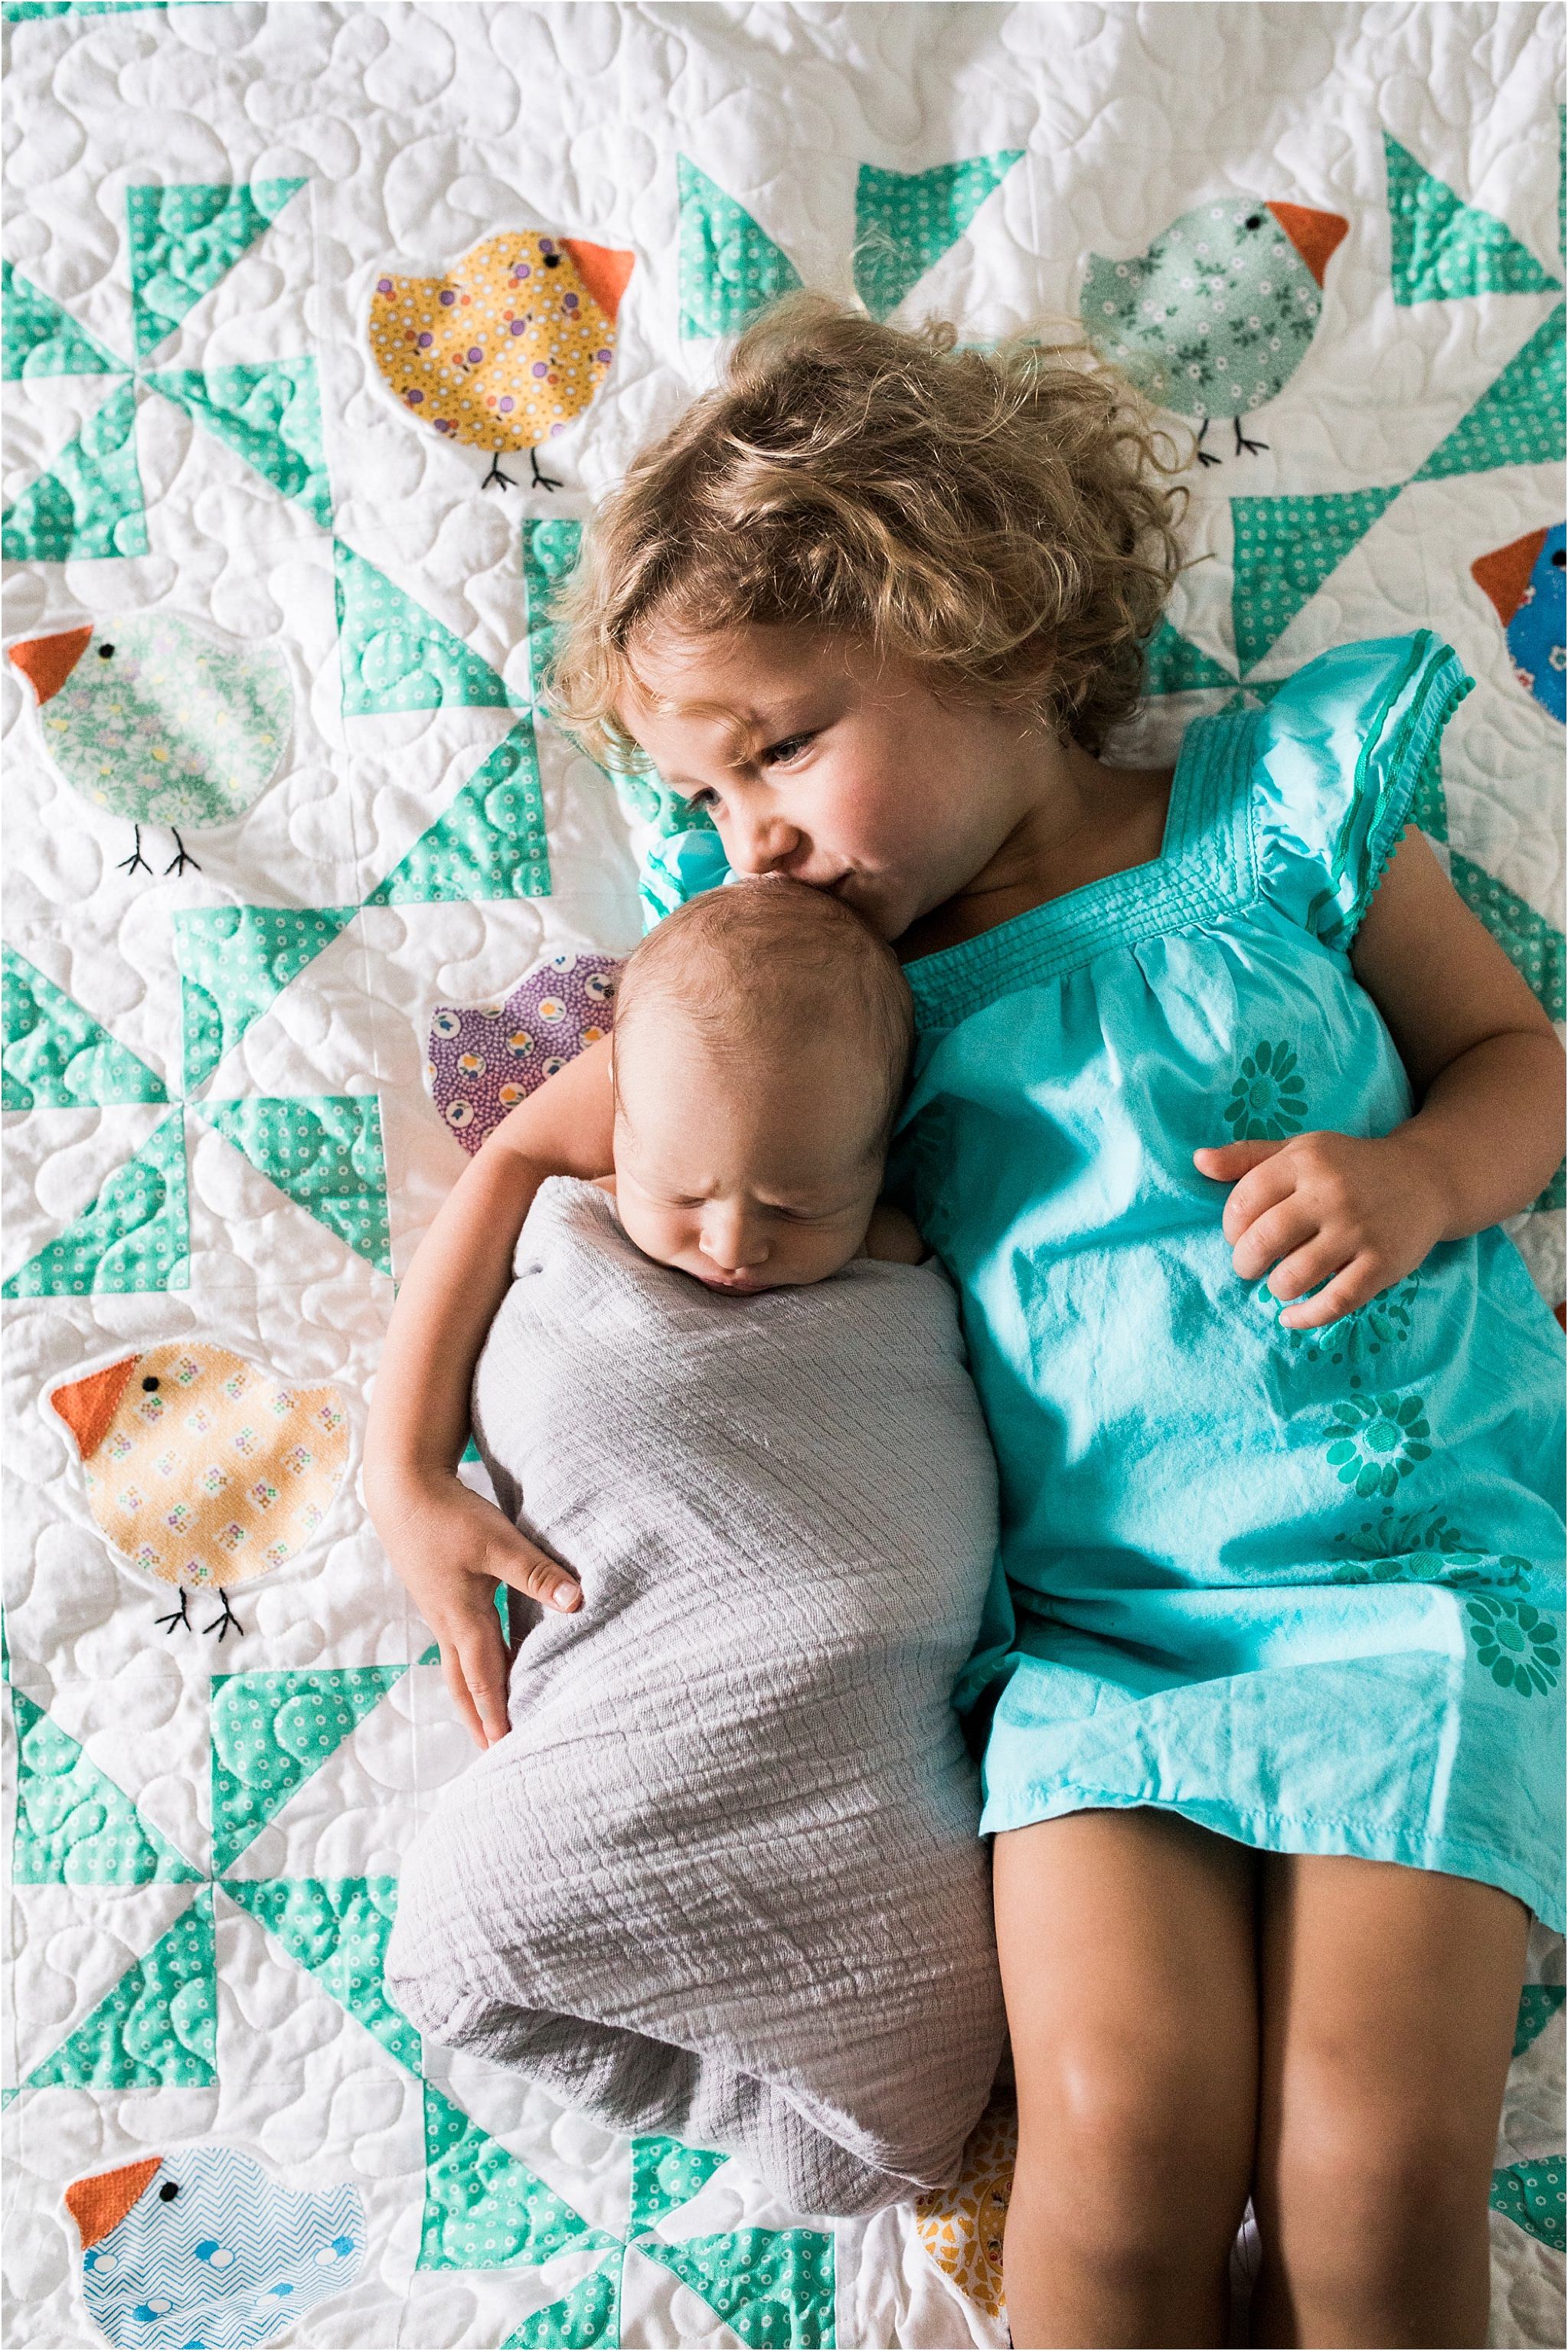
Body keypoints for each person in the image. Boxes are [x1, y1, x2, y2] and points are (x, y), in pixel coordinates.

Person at [364, 294, 1566, 2349]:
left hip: (1412, 1593)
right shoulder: (827, 998)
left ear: (989, 623)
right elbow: (518, 1164)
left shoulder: (1279, 820)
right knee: (1115, 2142)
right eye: (713, 796)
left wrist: (1422, 1177)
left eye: (783, 746)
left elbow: (1519, 1056)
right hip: (1087, 1647)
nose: (754, 839)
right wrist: (406, 1468)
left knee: (1365, 2160)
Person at [384, 878, 1006, 2218]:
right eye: (684, 1192)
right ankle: (708, 2066)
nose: (732, 1243)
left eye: (795, 1205)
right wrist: (405, 1471)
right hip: (639, 1680)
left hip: (849, 1694)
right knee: (462, 1921)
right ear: (623, 1131)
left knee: (928, 2044)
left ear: (881, 1154)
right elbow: (506, 1169)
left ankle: (756, 2079)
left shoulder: (901, 1250)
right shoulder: (590, 1178)